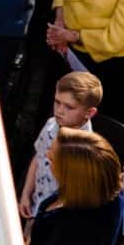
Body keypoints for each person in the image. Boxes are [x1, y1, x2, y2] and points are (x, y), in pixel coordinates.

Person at [22, 129, 123, 245]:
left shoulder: (79, 227)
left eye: (52, 157)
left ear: (73, 172)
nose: (47, 155)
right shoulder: (87, 190)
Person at [21, 70, 103, 220]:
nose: (59, 111)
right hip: (35, 206)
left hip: (57, 218)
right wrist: (26, 193)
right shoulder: (51, 124)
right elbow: (38, 159)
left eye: (69, 107)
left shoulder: (86, 149)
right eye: (57, 102)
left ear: (89, 113)